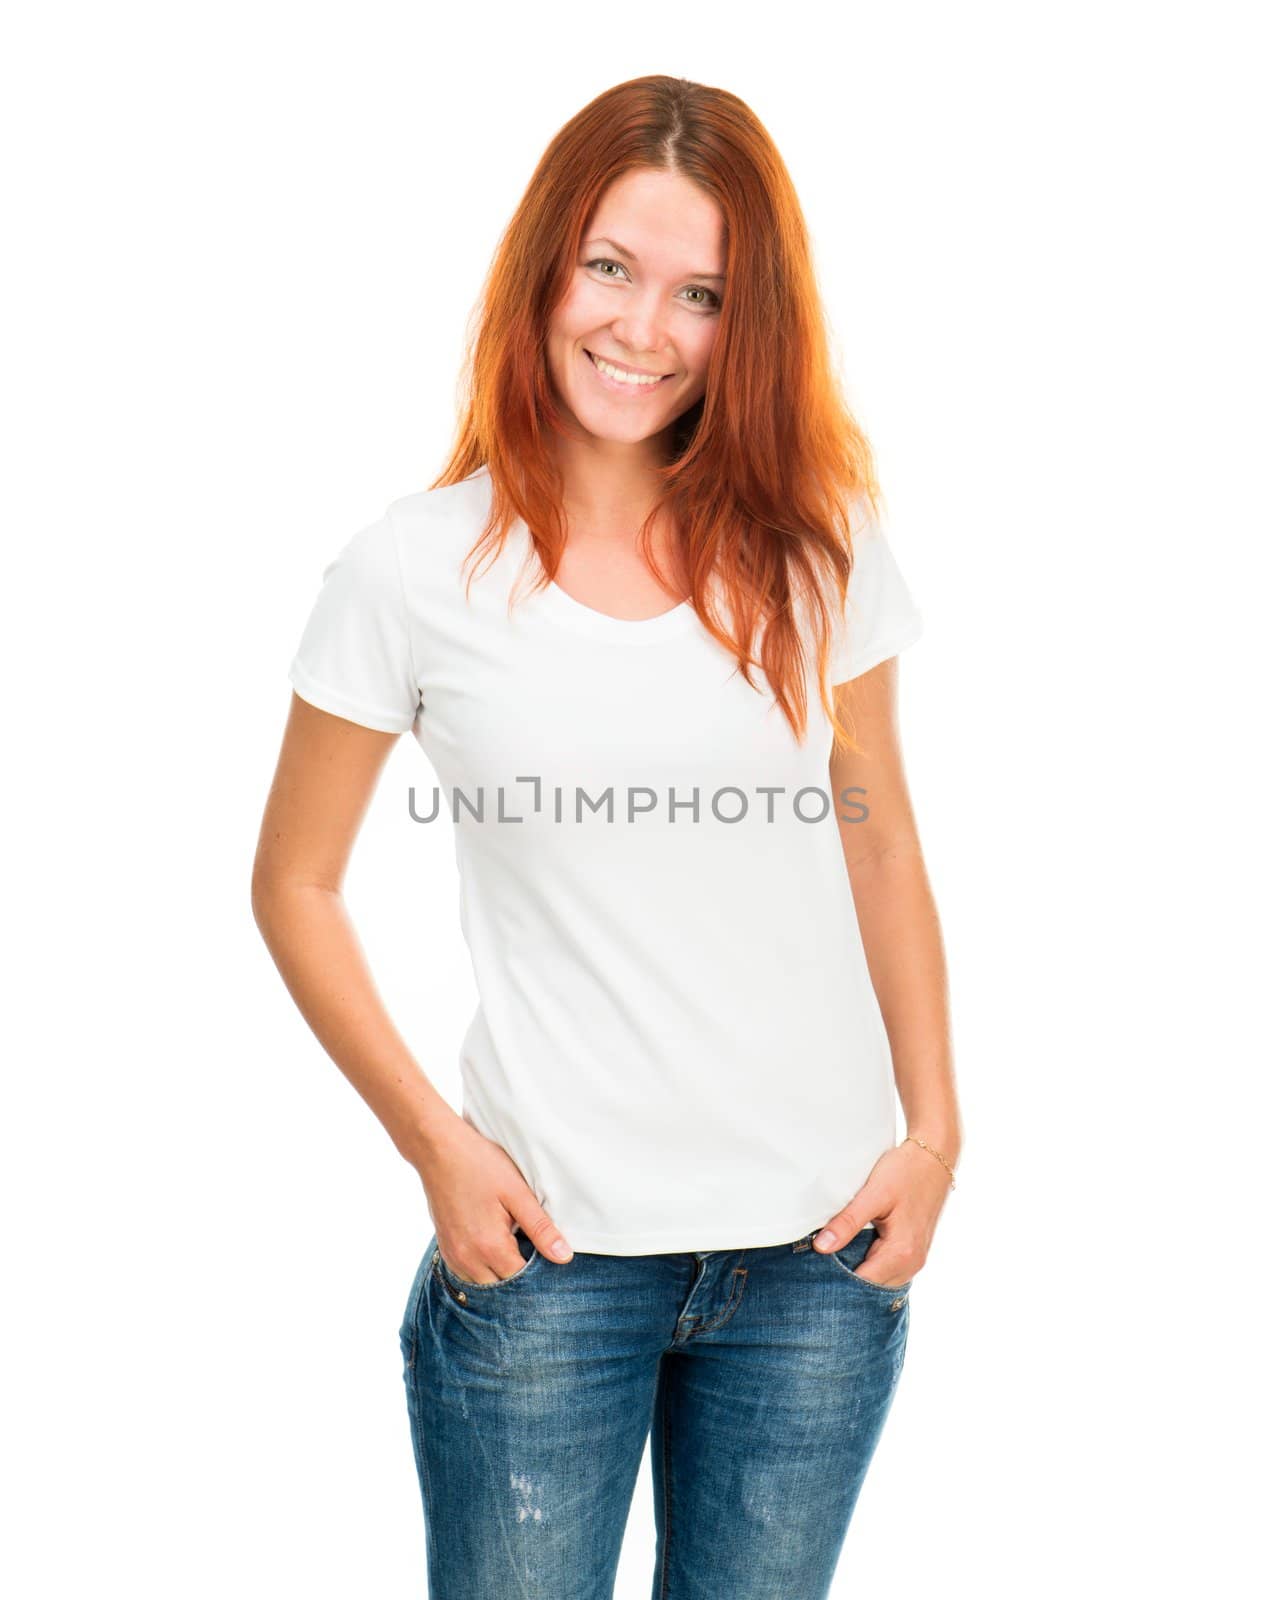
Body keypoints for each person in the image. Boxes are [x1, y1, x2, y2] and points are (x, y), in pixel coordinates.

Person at [252, 73, 961, 1600]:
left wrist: (932, 1132)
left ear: (747, 320)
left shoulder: (815, 543)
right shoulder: (412, 570)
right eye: (609, 269)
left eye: (699, 293)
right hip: (547, 1263)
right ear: (545, 269)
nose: (642, 329)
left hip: (817, 1262)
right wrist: (436, 1148)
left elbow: (880, 843)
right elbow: (294, 882)